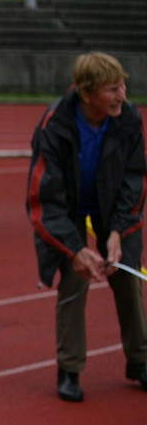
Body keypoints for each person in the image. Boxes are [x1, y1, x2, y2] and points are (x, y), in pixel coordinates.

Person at [27, 52, 147, 402]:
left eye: (122, 86)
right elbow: (43, 197)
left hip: (113, 203)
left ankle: (140, 359)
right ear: (85, 92)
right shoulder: (55, 124)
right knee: (75, 275)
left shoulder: (128, 119)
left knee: (126, 273)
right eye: (112, 90)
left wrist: (117, 232)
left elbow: (134, 179)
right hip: (67, 206)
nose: (121, 96)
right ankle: (70, 368)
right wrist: (74, 247)